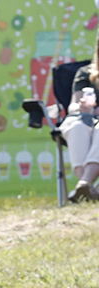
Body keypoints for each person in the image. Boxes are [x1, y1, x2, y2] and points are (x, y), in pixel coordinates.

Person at [60, 31, 99, 202]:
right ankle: (88, 188)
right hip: (84, 119)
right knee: (77, 127)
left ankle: (84, 185)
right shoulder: (85, 73)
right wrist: (83, 107)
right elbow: (73, 106)